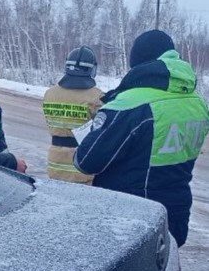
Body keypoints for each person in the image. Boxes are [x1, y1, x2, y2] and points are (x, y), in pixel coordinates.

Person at [75, 30, 209, 246]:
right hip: (175, 211)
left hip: (130, 220)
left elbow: (85, 161)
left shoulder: (130, 105)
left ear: (137, 62)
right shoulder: (197, 102)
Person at [43, 47, 103, 183]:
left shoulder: (50, 93)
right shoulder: (97, 97)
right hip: (82, 163)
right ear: (92, 69)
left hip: (55, 162)